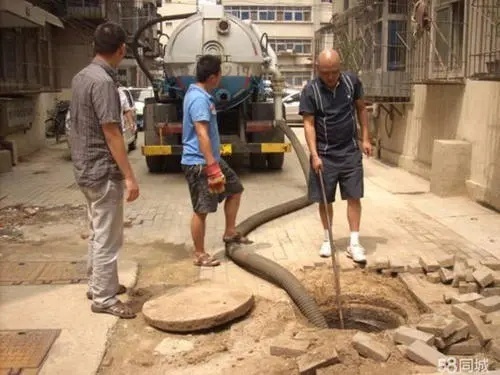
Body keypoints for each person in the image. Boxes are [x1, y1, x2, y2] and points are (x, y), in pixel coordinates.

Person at [69, 21, 139, 318]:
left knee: (97, 231)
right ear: (121, 49)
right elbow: (112, 132)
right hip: (101, 170)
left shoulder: (81, 77)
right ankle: (104, 298)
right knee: (109, 237)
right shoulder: (104, 82)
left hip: (84, 167)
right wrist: (129, 176)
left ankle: (97, 284)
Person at [298, 48, 372, 263]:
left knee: (354, 196)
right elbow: (308, 123)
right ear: (317, 69)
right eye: (325, 73)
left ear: (340, 68)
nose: (330, 77)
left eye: (334, 72)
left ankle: (355, 242)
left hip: (349, 152)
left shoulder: (351, 83)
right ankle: (327, 238)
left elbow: (361, 109)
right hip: (325, 154)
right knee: (325, 199)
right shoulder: (311, 91)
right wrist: (313, 154)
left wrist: (366, 138)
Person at [181, 54, 252, 267]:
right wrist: (212, 167)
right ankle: (200, 254)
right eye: (220, 74)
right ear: (213, 77)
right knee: (201, 210)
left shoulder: (201, 95)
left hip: (211, 160)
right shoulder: (199, 99)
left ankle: (230, 232)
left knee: (235, 189)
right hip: (200, 163)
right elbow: (201, 133)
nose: (221, 77)